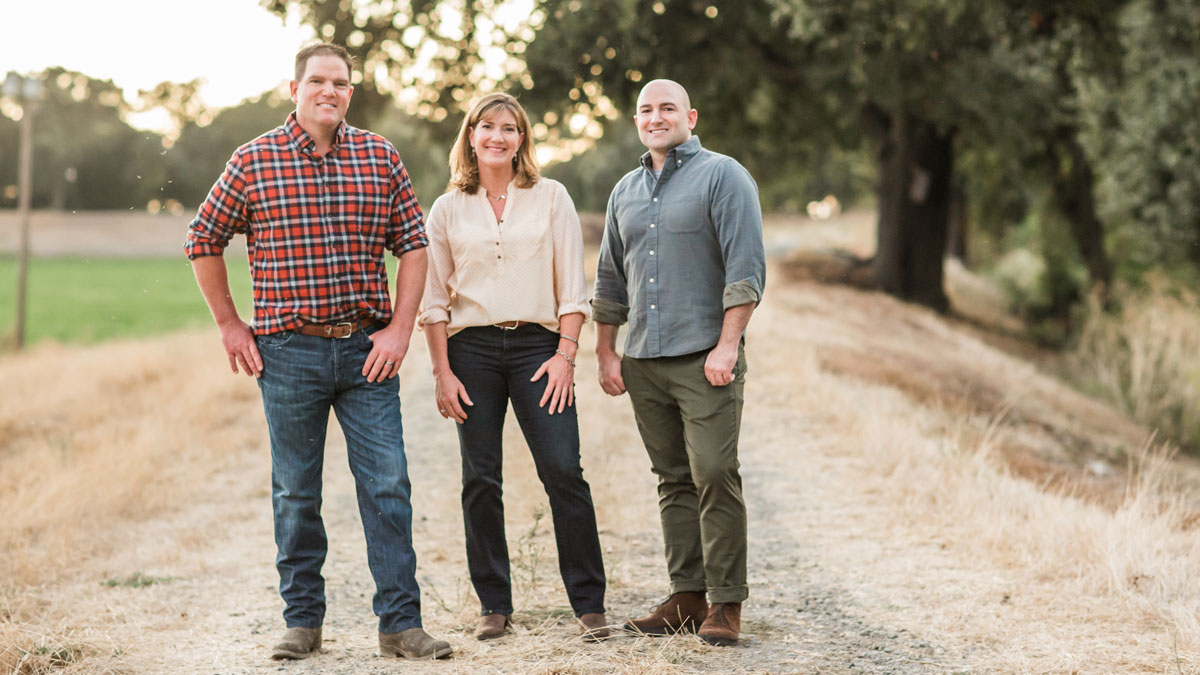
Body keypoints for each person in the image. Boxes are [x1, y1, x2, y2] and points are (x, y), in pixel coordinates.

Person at [184, 42, 451, 662]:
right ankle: (302, 622)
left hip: (367, 352)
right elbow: (203, 238)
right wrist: (230, 324)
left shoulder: (378, 155)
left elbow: (414, 245)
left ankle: (400, 626)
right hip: (287, 353)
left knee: (388, 485)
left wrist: (399, 329)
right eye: (318, 81)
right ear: (296, 88)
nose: (329, 91)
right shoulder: (254, 161)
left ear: (349, 93)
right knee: (296, 491)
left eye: (340, 83)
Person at [418, 92, 609, 642]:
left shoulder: (550, 197)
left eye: (509, 128)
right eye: (487, 126)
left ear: (521, 138)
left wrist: (565, 356)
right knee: (480, 478)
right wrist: (441, 372)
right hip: (470, 351)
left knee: (563, 471)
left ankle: (589, 603)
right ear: (471, 136)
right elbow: (434, 299)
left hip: (537, 348)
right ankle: (493, 605)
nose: (498, 136)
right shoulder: (447, 208)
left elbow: (574, 288)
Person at [592, 79, 765, 647]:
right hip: (643, 359)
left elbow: (745, 269)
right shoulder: (625, 190)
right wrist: (605, 351)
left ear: (690, 115)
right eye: (646, 109)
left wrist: (729, 344)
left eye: (667, 108)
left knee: (714, 471)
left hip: (704, 357)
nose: (656, 117)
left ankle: (726, 603)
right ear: (637, 120)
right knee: (672, 480)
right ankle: (687, 596)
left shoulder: (724, 175)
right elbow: (611, 278)